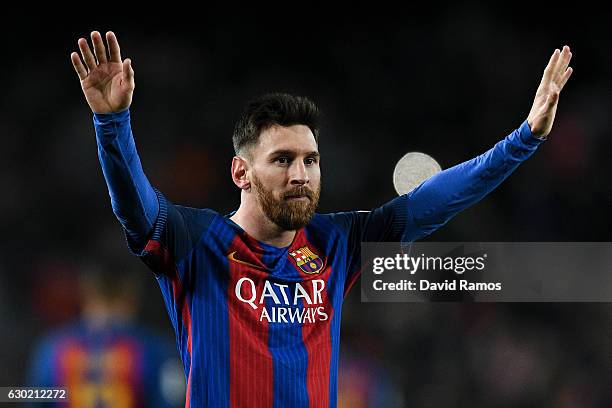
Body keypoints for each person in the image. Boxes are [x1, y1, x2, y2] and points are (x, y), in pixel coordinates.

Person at [70, 30, 572, 407]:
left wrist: (524, 138)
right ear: (240, 172)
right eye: (283, 159)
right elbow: (134, 206)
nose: (301, 174)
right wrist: (111, 122)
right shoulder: (196, 242)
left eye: (311, 159)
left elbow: (433, 201)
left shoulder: (335, 243)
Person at [27, 261, 185, 407]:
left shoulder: (52, 348)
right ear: (130, 294)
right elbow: (171, 401)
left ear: (85, 293)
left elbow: (33, 400)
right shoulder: (154, 349)